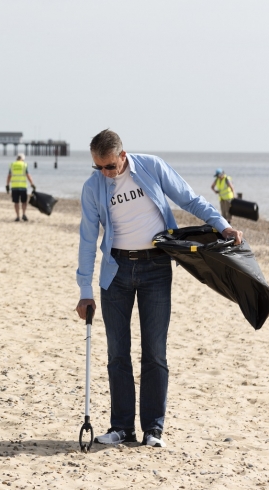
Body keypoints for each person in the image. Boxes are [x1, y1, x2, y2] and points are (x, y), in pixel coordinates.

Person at [75, 129, 242, 449]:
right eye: (98, 167)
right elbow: (87, 237)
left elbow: (190, 198)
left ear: (123, 156)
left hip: (156, 269)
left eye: (109, 166)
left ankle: (153, 429)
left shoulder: (152, 167)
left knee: (154, 352)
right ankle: (122, 428)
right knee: (117, 354)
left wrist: (223, 225)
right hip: (116, 272)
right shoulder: (93, 187)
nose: (104, 173)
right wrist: (85, 289)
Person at [5, 154, 35, 222]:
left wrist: (7, 185)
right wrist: (32, 183)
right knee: (24, 201)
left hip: (14, 186)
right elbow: (28, 175)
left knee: (16, 202)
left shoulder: (12, 164)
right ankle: (24, 214)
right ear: (23, 159)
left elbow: (9, 176)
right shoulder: (24, 164)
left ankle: (18, 216)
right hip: (23, 186)